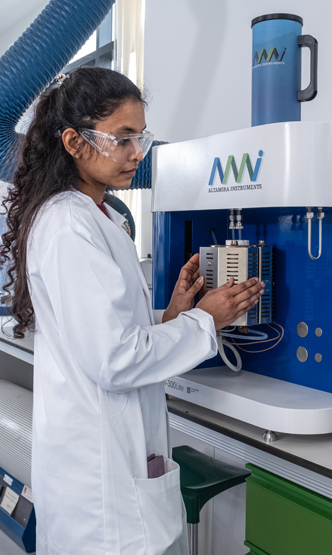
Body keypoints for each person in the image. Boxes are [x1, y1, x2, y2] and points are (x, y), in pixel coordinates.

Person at [0, 67, 264, 555]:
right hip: (101, 496)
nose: (137, 153)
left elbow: (110, 332)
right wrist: (206, 319)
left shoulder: (96, 216)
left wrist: (174, 314)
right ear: (74, 143)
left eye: (140, 138)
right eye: (122, 139)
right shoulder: (69, 224)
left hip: (110, 471)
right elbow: (115, 359)